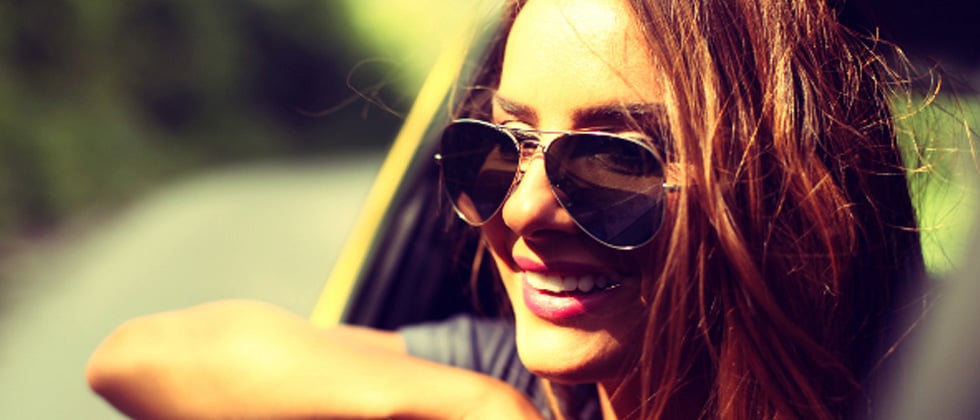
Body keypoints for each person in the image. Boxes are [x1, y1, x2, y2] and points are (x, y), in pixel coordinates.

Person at [86, 0, 931, 418]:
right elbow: (133, 357)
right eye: (501, 146)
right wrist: (468, 407)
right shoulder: (504, 378)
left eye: (613, 161)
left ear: (776, 193)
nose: (524, 208)